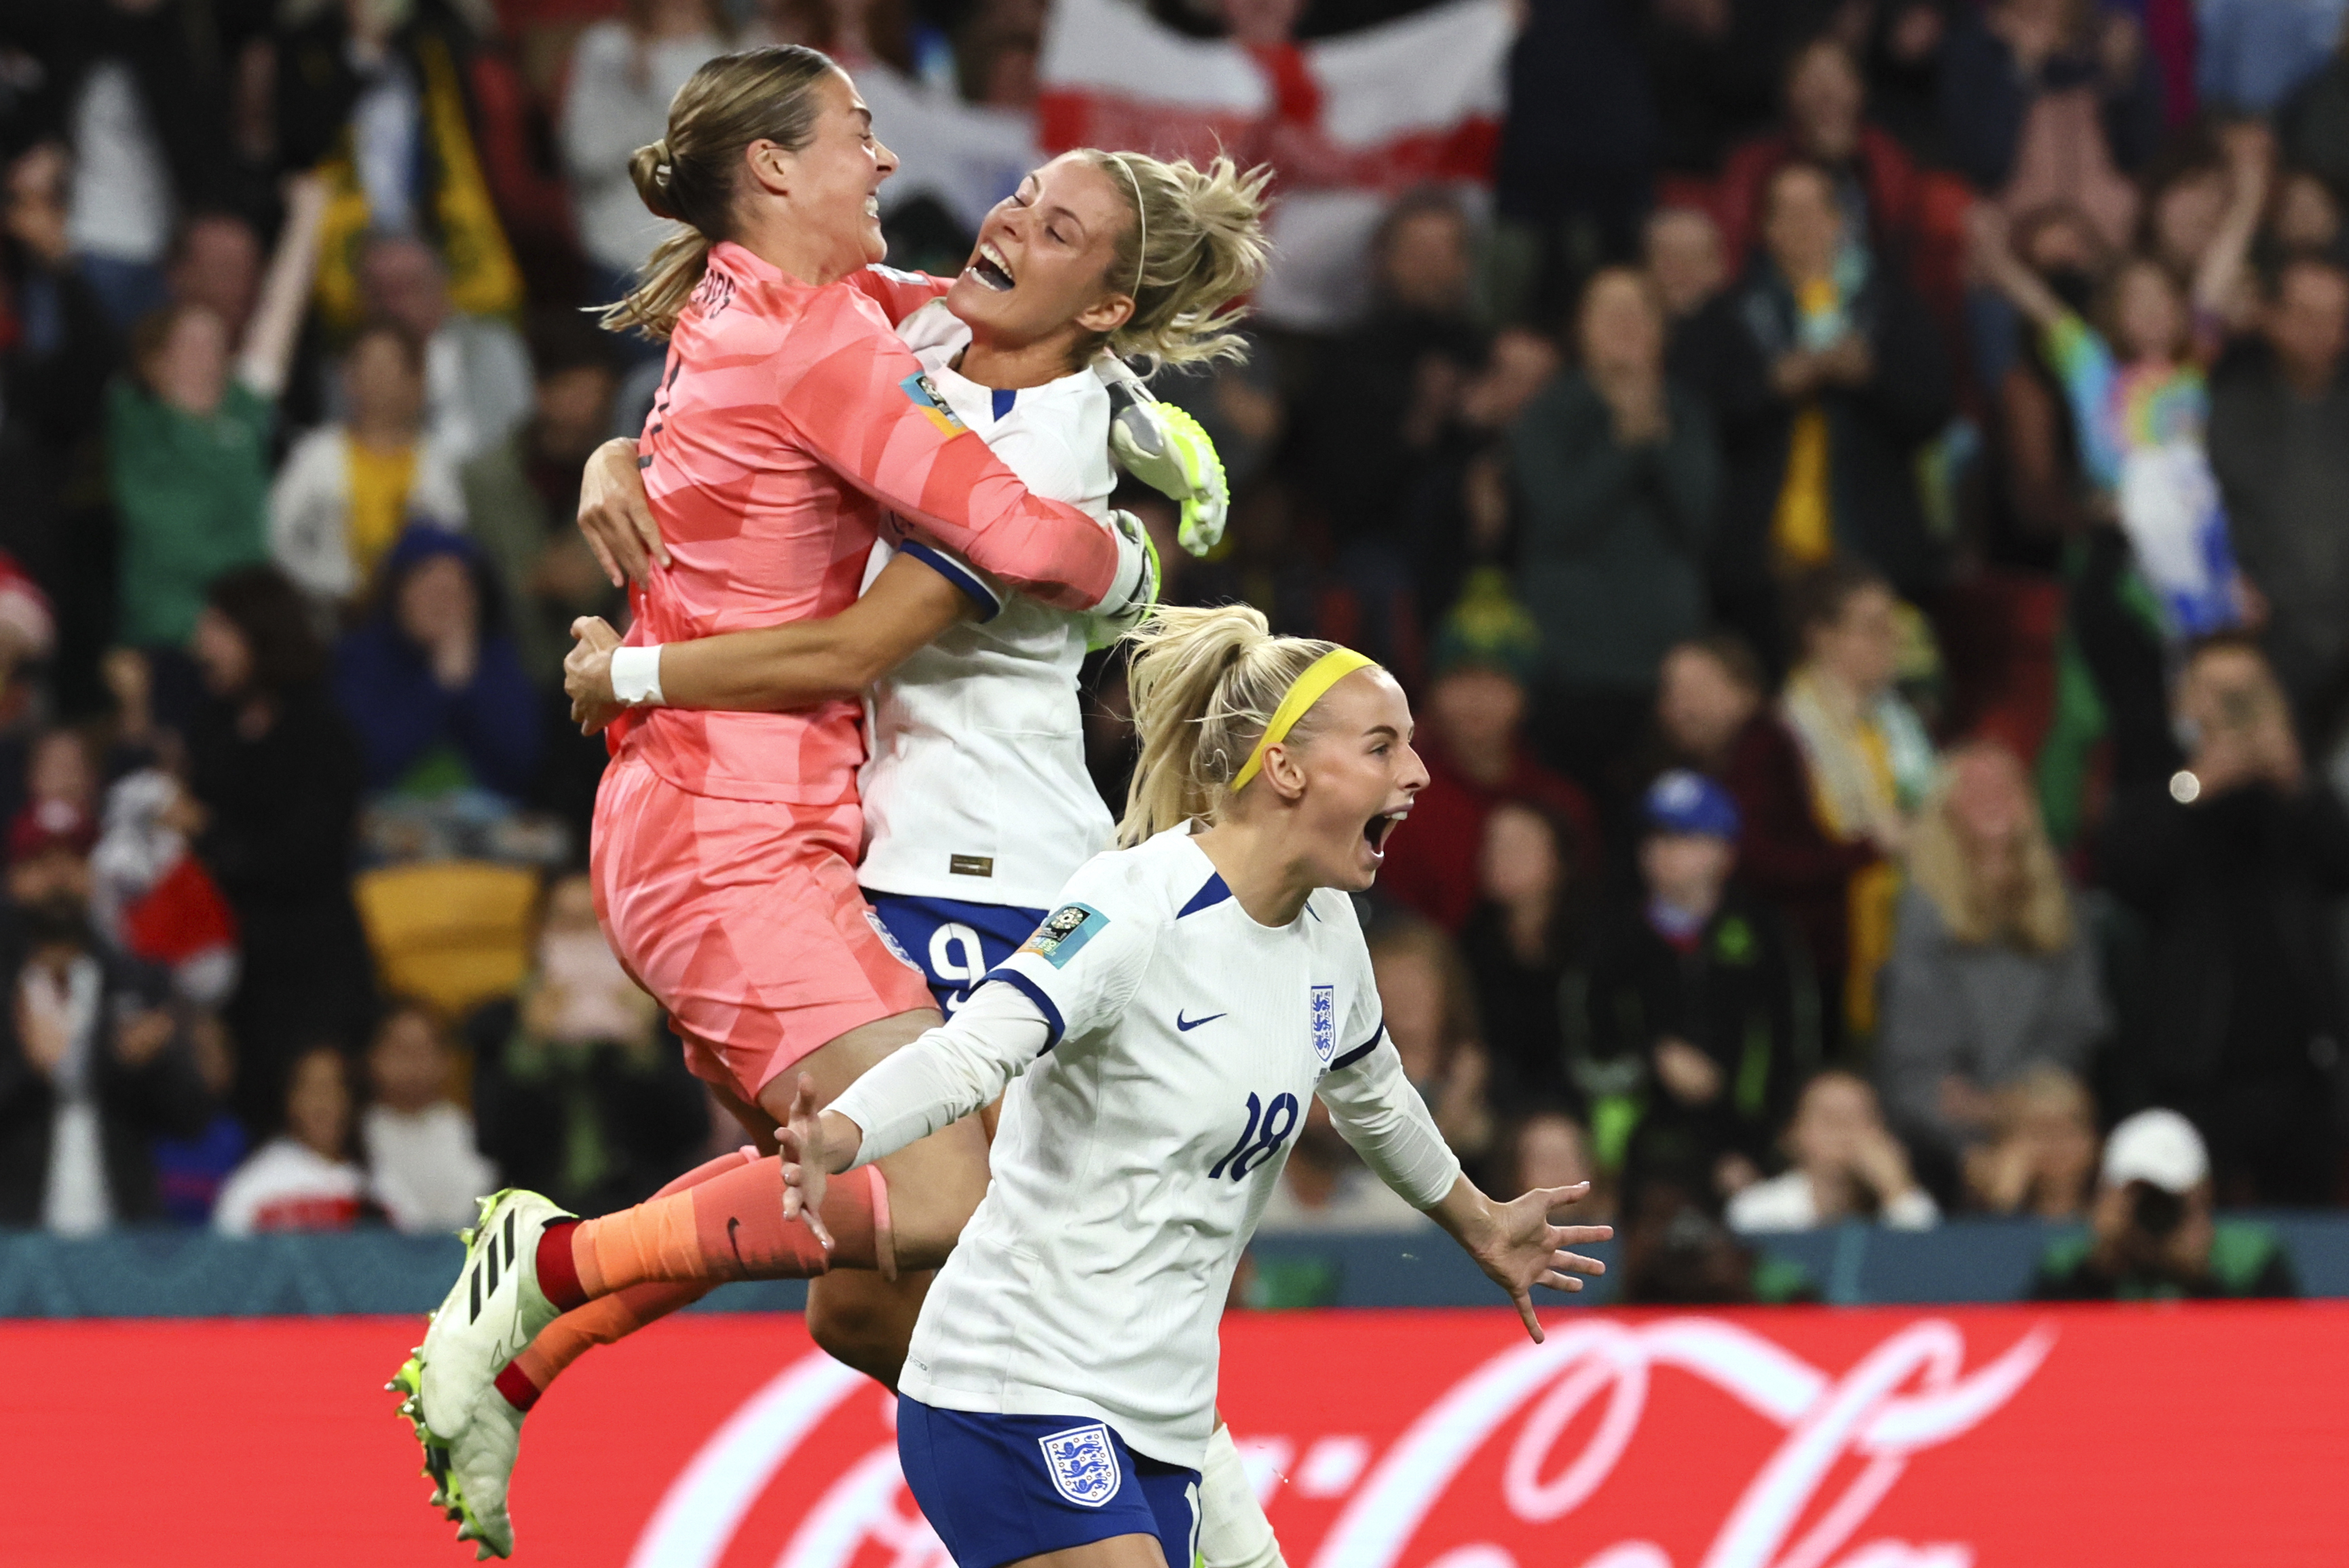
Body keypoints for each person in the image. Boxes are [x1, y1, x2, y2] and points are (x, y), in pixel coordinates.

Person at [400, 57, 1245, 1548]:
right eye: (859, 135)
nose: (895, 160)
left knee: (884, 1274)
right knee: (929, 1198)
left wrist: (619, 462)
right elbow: (998, 537)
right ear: (779, 172)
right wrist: (1133, 566)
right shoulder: (842, 356)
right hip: (739, 838)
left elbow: (908, 324)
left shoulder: (828, 312)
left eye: (1051, 224)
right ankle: (546, 1275)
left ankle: (537, 1348)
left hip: (787, 833)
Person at [1968, 125, 2268, 641]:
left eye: (2163, 300)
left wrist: (2247, 199)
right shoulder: (2092, 368)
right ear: (2113, 316)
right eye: (2137, 301)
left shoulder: (2190, 364)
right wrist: (1993, 251)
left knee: (2206, 654)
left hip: (2192, 535)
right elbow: (2036, 304)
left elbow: (2218, 276)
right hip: (2119, 540)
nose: (2153, 312)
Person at [2097, 634, 2349, 1204]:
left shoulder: (2294, 788)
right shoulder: (2159, 771)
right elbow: (2126, 869)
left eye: (2246, 692)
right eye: (2216, 691)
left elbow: (2340, 864)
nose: (2232, 707)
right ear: (2182, 698)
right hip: (2196, 1065)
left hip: (2299, 1064)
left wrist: (2294, 783)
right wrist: (2196, 784)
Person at [1688, 161, 1953, 653]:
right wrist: (1772, 387)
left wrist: (1869, 379)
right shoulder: (1726, 316)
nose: (1801, 224)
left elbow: (1931, 413)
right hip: (1762, 569)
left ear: (1839, 221)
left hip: (1871, 561)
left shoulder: (1891, 308)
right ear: (1765, 229)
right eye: (1785, 212)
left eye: (1814, 210)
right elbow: (1695, 420)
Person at [1513, 266, 1721, 793]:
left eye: (1639, 312)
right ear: (1579, 328)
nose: (1625, 325)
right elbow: (1556, 521)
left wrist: (1656, 437)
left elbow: (1700, 522)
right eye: (1608, 312)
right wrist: (1625, 445)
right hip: (1571, 665)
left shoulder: (1687, 415)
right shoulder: (1546, 416)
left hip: (1664, 671)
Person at [107, 176, 326, 664]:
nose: (209, 353)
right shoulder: (137, 418)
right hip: (168, 633)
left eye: (217, 344)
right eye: (191, 343)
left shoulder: (242, 414)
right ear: (156, 362)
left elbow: (278, 317)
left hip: (250, 631)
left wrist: (309, 218)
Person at [184, 567, 374, 1129]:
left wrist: (208, 834)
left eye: (217, 625)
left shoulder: (323, 734)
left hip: (310, 970)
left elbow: (306, 852)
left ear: (258, 631)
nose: (200, 642)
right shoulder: (211, 726)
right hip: (234, 972)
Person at [1876, 741, 2108, 1175]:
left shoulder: (2060, 898)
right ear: (1946, 807)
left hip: (2042, 1106)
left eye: (2006, 787)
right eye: (1975, 788)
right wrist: (1977, 1120)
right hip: (1943, 1118)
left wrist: (2018, 1102)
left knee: (2058, 1130)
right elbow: (1914, 1049)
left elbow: (2077, 1021)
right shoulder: (1920, 907)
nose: (1993, 799)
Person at [1727, 559, 1930, 1050]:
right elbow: (1761, 861)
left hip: (1908, 954)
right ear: (1820, 636)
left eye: (1892, 626)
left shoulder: (1899, 727)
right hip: (1817, 967)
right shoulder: (1774, 738)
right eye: (1871, 628)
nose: (1891, 641)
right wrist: (1866, 850)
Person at [1579, 771, 1814, 1195]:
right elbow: (1590, 1046)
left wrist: (1751, 1150)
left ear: (1725, 853)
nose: (1663, 851)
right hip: (1632, 1154)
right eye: (1655, 837)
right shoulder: (1612, 935)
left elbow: (1787, 1047)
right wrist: (1652, 1057)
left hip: (1745, 1154)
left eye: (1685, 837)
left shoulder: (1764, 935)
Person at [0, 803, 210, 1229]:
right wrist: (27, 1071)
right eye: (41, 863)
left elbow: (193, 1119)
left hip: (122, 1243)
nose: (60, 878)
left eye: (75, 861)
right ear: (13, 880)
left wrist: (152, 1063)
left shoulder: (140, 982)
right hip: (13, 1245)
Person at [470, 873, 709, 1217]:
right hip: (533, 1218)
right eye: (566, 923)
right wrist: (530, 1045)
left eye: (592, 924)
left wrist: (643, 1050)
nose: (580, 938)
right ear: (538, 933)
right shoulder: (498, 1023)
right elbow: (491, 1140)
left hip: (642, 1214)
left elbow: (690, 1131)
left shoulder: (661, 1018)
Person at [1371, 581, 1598, 933]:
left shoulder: (1561, 803)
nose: (1477, 698)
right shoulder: (1398, 800)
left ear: (1526, 697)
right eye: (1460, 678)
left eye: (1497, 680)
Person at [2208, 254, 2349, 714]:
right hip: (2263, 651)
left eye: (2336, 317)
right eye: (2306, 315)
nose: (2323, 332)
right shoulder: (2223, 412)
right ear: (2268, 317)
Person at [332, 526, 542, 809]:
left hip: (491, 830)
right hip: (388, 826)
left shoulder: (498, 658)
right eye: (429, 591)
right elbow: (361, 762)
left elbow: (522, 765)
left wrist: (468, 686)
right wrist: (438, 689)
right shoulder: (361, 659)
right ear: (398, 594)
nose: (444, 607)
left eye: (456, 593)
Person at [271, 321, 466, 613]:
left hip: (413, 621)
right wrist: (325, 588)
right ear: (348, 377)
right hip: (324, 615)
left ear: (417, 380)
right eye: (367, 363)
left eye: (389, 365)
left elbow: (453, 542)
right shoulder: (315, 454)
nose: (377, 377)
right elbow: (275, 537)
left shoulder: (437, 462)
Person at [2029, 1108, 2298, 1299]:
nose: (2154, 1209)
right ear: (2108, 1197)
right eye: (2140, 1195)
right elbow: (2044, 1347)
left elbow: (2279, 1349)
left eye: (2169, 1196)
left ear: (2201, 1196)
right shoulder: (2067, 1265)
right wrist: (2099, 1268)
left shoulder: (2252, 1260)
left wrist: (2201, 1276)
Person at [1727, 1069, 1940, 1231]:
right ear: (1791, 1135)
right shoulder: (1757, 1212)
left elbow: (1930, 1265)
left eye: (1862, 1119)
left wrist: (1897, 1190)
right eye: (1832, 1121)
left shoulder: (1902, 1202)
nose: (1847, 1134)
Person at [362, 999, 498, 1236]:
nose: (413, 1063)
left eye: (425, 1050)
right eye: (401, 1050)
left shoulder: (471, 1129)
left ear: (447, 1061)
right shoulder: (354, 1135)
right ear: (373, 1057)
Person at [212, 1044, 370, 1235]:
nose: (324, 1102)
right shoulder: (256, 1185)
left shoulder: (377, 1182)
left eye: (335, 1087)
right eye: (312, 1089)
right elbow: (224, 1257)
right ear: (290, 1099)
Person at [1966, 1063, 2099, 1218]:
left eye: (2070, 1133)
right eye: (2043, 1134)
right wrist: (2004, 1200)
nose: (2058, 1148)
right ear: (2007, 1142)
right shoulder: (1973, 1202)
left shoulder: (2120, 1212)